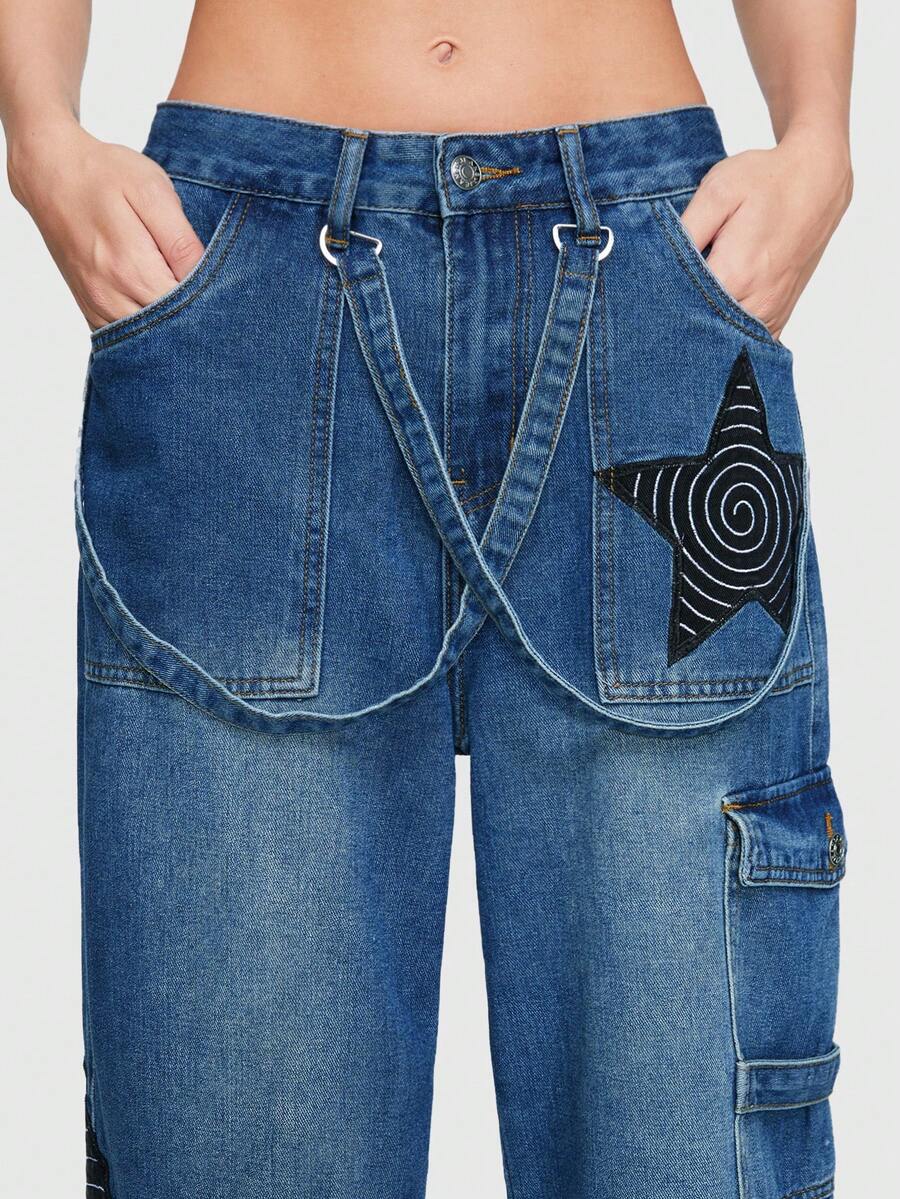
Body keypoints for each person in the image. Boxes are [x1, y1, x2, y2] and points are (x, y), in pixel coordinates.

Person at [0, 2, 854, 1196]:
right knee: (238, 1132)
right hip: (249, 290)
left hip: (648, 280)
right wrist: (39, 134)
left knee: (682, 1145)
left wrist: (819, 135)